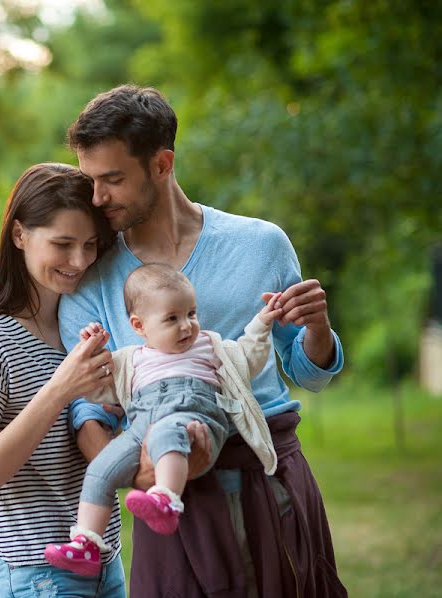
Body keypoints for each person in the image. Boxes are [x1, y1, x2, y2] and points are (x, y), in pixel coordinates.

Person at [59, 85, 348, 597]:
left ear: (162, 164)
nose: (97, 197)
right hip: (171, 499)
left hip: (267, 477)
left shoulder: (260, 244)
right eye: (91, 181)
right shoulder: (90, 281)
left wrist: (318, 331)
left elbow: (307, 372)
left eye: (113, 179)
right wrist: (151, 480)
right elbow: (89, 412)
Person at [0, 162, 128, 597]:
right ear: (19, 235)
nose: (80, 261)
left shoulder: (81, 328)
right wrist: (61, 388)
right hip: (37, 573)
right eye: (63, 244)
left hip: (104, 560)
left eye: (89, 245)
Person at [45, 263, 283, 576]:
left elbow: (247, 360)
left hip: (192, 418)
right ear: (139, 326)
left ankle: (167, 500)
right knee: (101, 469)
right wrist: (91, 348)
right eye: (172, 318)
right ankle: (87, 543)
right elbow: (95, 388)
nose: (186, 326)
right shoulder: (128, 360)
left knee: (165, 433)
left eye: (191, 314)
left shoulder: (209, 346)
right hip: (139, 429)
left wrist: (261, 325)